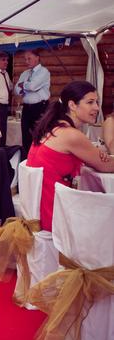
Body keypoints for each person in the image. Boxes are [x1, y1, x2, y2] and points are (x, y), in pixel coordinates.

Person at [27, 81, 114, 231]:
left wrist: (96, 157)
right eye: (90, 102)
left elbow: (97, 160)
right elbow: (106, 166)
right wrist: (101, 158)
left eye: (97, 102)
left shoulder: (55, 127)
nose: (96, 108)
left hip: (40, 208)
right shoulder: (71, 135)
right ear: (72, 105)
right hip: (54, 213)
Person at [14, 48, 50, 153]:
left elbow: (33, 86)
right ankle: (27, 159)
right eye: (25, 59)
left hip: (40, 107)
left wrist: (23, 85)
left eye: (29, 58)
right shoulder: (25, 73)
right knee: (26, 135)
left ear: (37, 58)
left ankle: (39, 158)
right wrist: (25, 86)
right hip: (26, 108)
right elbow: (16, 89)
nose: (26, 61)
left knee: (39, 134)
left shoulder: (44, 72)